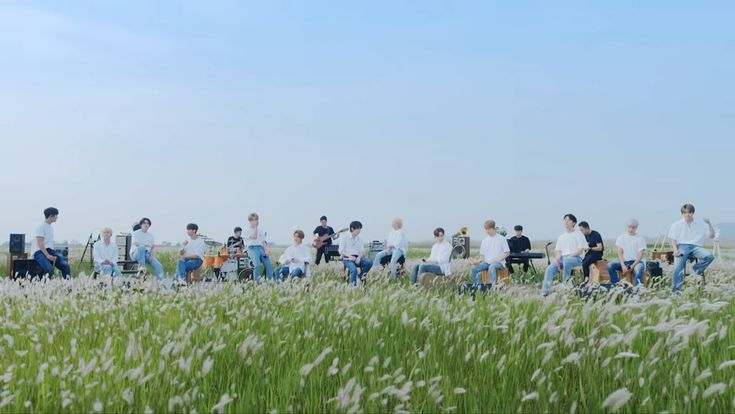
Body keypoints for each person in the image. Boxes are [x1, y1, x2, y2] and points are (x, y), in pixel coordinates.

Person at [668, 203, 716, 293]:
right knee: (678, 267)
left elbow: (712, 236)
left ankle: (696, 269)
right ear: (682, 214)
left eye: (689, 212)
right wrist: (675, 250)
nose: (687, 214)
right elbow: (673, 239)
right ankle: (676, 291)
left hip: (696, 247)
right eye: (685, 213)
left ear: (693, 213)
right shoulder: (676, 224)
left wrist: (709, 224)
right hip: (682, 246)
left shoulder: (700, 224)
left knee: (709, 256)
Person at [542, 214, 588, 295]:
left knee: (567, 260)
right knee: (549, 268)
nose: (566, 222)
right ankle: (545, 291)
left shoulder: (579, 235)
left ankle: (565, 284)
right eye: (565, 220)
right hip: (563, 259)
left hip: (576, 258)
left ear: (573, 223)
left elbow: (580, 250)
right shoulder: (561, 237)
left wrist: (569, 256)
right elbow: (558, 251)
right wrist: (558, 260)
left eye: (568, 220)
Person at [30, 207, 71, 279]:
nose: (57, 217)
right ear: (51, 216)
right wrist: (47, 255)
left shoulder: (50, 227)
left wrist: (51, 254)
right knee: (49, 269)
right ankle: (44, 287)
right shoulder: (41, 227)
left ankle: (67, 286)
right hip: (39, 252)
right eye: (56, 215)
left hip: (50, 251)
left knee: (65, 266)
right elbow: (40, 242)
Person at [469, 220, 510, 285]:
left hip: (499, 263)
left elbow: (507, 253)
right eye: (486, 229)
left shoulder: (502, 239)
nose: (487, 231)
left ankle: (492, 288)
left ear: (493, 228)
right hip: (487, 263)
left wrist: (498, 260)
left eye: (489, 229)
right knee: (474, 269)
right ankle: (478, 287)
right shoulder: (484, 240)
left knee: (492, 267)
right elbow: (482, 257)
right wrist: (476, 262)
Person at [608, 219, 646, 287]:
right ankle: (617, 287)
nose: (631, 229)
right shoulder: (621, 238)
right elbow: (620, 252)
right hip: (624, 262)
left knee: (638, 269)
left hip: (636, 262)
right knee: (610, 265)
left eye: (633, 227)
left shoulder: (640, 238)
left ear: (636, 228)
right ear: (626, 227)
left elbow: (641, 254)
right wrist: (623, 265)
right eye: (629, 227)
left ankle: (637, 291)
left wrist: (633, 266)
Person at [339, 221, 373, 285]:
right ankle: (353, 286)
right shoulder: (345, 238)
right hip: (347, 259)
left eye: (360, 229)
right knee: (354, 270)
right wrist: (350, 256)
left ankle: (360, 276)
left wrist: (359, 258)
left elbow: (362, 251)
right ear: (352, 229)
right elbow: (341, 251)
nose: (359, 231)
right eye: (358, 229)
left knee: (369, 262)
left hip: (357, 257)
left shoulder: (359, 238)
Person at [243, 213, 274, 283]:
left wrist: (266, 250)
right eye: (253, 220)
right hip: (252, 249)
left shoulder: (260, 230)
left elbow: (263, 241)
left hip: (260, 248)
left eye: (256, 219)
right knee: (257, 265)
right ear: (250, 221)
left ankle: (269, 281)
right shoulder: (246, 230)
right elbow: (254, 237)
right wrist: (256, 227)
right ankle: (257, 283)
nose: (255, 221)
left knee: (268, 264)